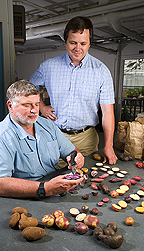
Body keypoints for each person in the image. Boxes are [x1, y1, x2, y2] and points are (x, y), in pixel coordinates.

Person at [29, 16, 118, 165]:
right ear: (65, 42)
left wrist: (109, 145)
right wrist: (42, 107)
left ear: (89, 44)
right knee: (55, 179)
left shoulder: (101, 71)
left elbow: (108, 112)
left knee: (86, 181)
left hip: (86, 139)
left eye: (83, 43)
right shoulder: (49, 66)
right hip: (54, 136)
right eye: (73, 42)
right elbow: (30, 87)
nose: (78, 48)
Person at [0, 80, 84, 201]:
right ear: (10, 106)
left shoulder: (48, 125)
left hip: (52, 191)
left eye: (36, 104)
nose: (34, 110)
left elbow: (72, 151)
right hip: (19, 200)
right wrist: (45, 188)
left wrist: (76, 157)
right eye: (27, 105)